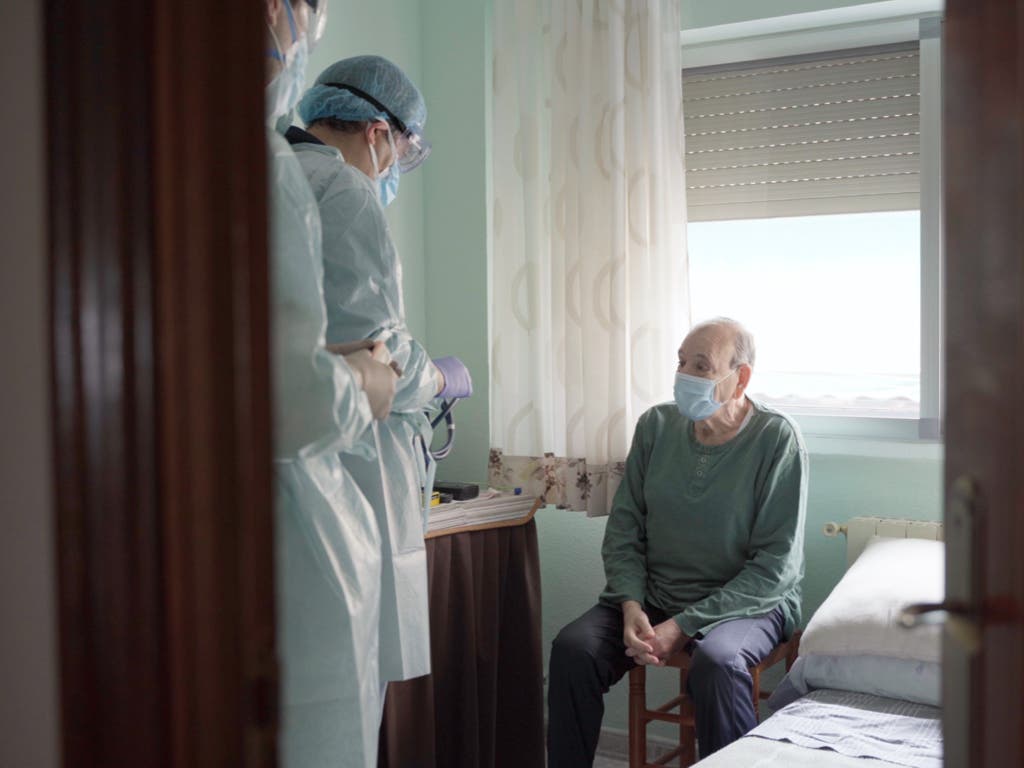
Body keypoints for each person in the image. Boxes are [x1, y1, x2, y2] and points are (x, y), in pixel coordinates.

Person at [285, 56, 472, 696]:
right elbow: (381, 352)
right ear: (378, 133)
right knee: (350, 680)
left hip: (292, 458)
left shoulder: (276, 175)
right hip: (350, 467)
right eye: (401, 151)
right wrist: (439, 380)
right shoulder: (344, 190)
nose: (394, 167)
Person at [547, 318, 807, 766]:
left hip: (750, 603)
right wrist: (631, 603)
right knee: (573, 651)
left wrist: (683, 625)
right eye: (681, 362)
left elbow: (774, 567)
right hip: (655, 596)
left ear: (741, 377)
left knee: (717, 664)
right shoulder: (656, 426)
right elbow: (625, 528)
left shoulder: (776, 438)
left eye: (701, 366)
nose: (684, 375)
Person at [264, 3, 398, 766]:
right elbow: (360, 360)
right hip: (312, 499)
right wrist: (374, 380)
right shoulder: (339, 189)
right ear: (379, 134)